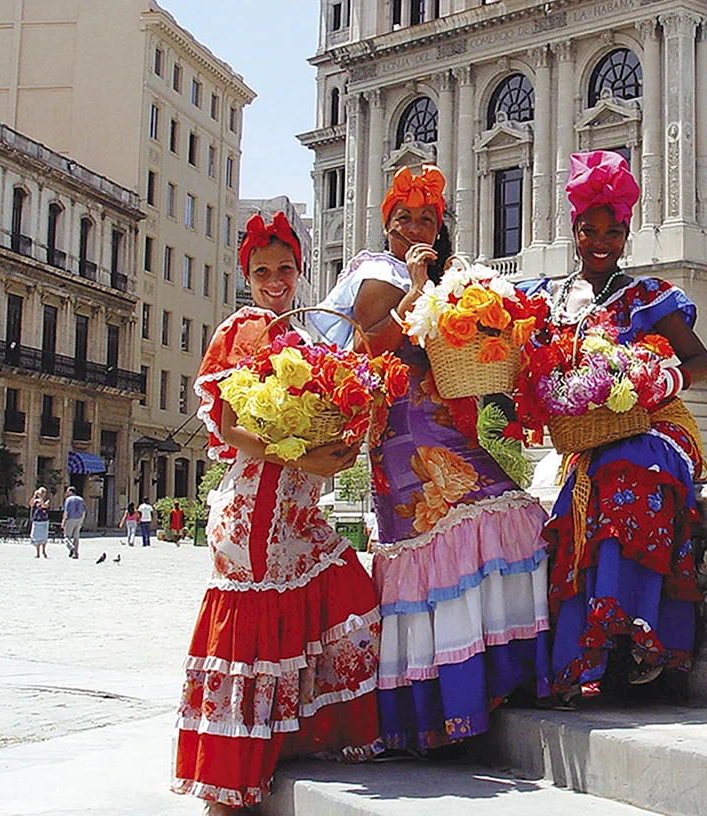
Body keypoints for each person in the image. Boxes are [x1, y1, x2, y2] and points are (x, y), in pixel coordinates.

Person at [310, 165, 551, 751]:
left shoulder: (441, 275)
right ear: (386, 225)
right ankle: (452, 700)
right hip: (405, 431)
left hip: (434, 422)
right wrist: (418, 285)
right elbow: (374, 342)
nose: (415, 227)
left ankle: (484, 681)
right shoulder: (379, 270)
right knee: (496, 520)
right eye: (404, 219)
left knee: (503, 521)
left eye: (426, 219)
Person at [172, 211, 381, 813]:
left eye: (285, 269)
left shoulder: (307, 334)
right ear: (247, 274)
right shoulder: (244, 328)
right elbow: (232, 425)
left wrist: (325, 458)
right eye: (262, 271)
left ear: (300, 271)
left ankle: (289, 738)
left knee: (347, 592)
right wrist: (299, 454)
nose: (274, 281)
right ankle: (233, 779)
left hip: (295, 503)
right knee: (258, 627)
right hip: (256, 506)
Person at [521, 151, 707, 704]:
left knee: (627, 474)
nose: (600, 241)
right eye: (590, 231)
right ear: (574, 232)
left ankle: (636, 640)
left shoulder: (648, 297)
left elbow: (702, 364)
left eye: (613, 231)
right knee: (585, 494)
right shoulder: (550, 300)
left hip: (655, 426)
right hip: (589, 439)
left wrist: (652, 381)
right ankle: (597, 652)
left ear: (626, 234)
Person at [61, 486, 86, 559]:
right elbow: (83, 511)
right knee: (76, 537)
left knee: (66, 536)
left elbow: (66, 512)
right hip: (79, 518)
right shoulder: (80, 499)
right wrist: (82, 520)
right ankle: (76, 553)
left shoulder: (68, 500)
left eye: (67, 491)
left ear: (70, 492)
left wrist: (63, 521)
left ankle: (71, 547)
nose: (66, 493)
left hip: (70, 519)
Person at [29, 487, 51, 559]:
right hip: (36, 519)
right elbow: (30, 504)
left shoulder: (47, 500)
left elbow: (44, 506)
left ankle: (44, 551)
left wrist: (41, 498)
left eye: (42, 493)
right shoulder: (35, 501)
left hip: (44, 520)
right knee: (36, 536)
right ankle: (37, 552)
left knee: (44, 536)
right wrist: (34, 496)